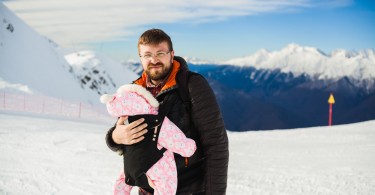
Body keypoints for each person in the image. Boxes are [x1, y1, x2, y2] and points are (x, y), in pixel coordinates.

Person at [105, 28, 229, 195]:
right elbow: (122, 132)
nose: (154, 60)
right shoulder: (134, 91)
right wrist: (114, 137)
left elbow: (216, 144)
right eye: (147, 55)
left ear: (171, 54)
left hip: (189, 189)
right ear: (141, 58)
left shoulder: (192, 85)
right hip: (147, 190)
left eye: (160, 53)